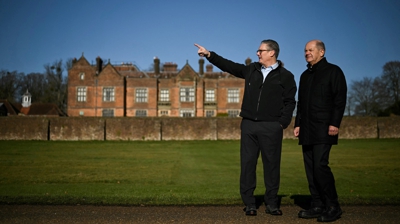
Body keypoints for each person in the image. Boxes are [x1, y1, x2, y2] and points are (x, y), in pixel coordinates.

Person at [195, 40, 297, 216]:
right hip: (249, 125)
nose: (258, 53)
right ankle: (249, 203)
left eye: (261, 50)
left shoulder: (286, 76)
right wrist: (210, 54)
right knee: (248, 165)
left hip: (271, 126)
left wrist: (281, 123)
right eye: (258, 51)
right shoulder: (252, 70)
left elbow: (290, 102)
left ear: (272, 52)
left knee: (272, 166)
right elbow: (230, 66)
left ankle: (272, 204)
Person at [294, 40, 347, 222]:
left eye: (310, 50)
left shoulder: (334, 71)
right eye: (305, 50)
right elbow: (300, 103)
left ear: (321, 52)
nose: (307, 53)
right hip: (307, 129)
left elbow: (339, 99)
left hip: (324, 128)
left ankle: (333, 206)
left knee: (320, 167)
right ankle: (317, 205)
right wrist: (297, 124)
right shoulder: (304, 76)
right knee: (310, 169)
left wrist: (334, 123)